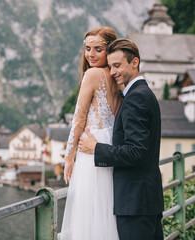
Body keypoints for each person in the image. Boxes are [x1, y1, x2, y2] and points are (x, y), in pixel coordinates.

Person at [78, 38, 164, 240]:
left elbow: (137, 151)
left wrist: (97, 148)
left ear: (134, 63)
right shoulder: (144, 93)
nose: (113, 72)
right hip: (146, 199)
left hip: (135, 204)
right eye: (110, 66)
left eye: (117, 65)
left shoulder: (136, 98)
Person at [60, 26, 121, 240]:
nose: (91, 54)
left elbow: (78, 118)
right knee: (106, 208)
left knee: (87, 211)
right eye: (87, 49)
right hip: (110, 145)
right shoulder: (116, 75)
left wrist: (69, 157)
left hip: (92, 148)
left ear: (109, 50)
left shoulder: (92, 74)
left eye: (98, 49)